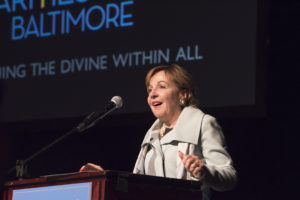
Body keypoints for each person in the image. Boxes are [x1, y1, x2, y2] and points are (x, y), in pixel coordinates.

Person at [80, 64, 237, 200]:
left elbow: (229, 177)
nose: (152, 94)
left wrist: (204, 172)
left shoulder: (203, 124)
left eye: (161, 86)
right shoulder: (151, 136)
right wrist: (106, 178)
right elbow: (140, 187)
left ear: (183, 94)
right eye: (150, 89)